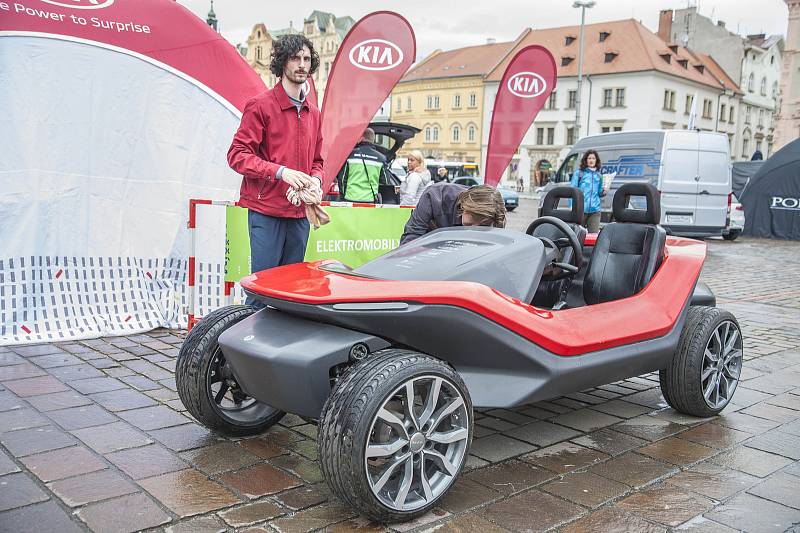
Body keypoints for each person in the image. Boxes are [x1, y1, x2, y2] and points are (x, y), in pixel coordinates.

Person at [227, 34, 323, 306]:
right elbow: (237, 155)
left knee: (292, 291)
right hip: (267, 210)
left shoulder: (314, 113)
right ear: (282, 62)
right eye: (295, 58)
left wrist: (316, 180)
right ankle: (248, 345)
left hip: (298, 213)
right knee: (262, 290)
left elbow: (318, 161)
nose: (302, 64)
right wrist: (280, 172)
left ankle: (280, 346)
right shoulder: (261, 105)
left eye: (306, 59)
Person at [400, 183, 506, 244]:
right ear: (463, 207)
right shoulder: (434, 197)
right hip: (428, 251)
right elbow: (412, 237)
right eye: (469, 224)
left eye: (483, 226)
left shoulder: (496, 213)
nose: (473, 233)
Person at [336, 127, 388, 203]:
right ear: (372, 140)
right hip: (370, 200)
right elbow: (386, 181)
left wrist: (343, 197)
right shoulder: (381, 158)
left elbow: (342, 179)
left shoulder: (349, 155)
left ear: (361, 138)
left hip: (350, 199)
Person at [570, 150, 605, 233]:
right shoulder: (579, 174)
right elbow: (572, 192)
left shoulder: (599, 175)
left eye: (593, 158)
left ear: (596, 160)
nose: (591, 160)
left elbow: (600, 193)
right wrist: (572, 207)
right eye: (589, 158)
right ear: (586, 160)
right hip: (580, 210)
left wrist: (604, 191)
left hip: (595, 211)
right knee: (577, 236)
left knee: (593, 237)